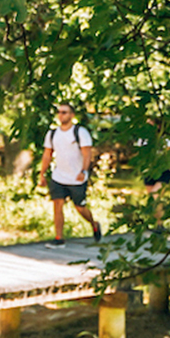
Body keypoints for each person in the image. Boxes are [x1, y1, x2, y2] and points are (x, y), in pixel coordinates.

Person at [39, 102, 102, 246]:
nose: (61, 115)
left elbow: (87, 154)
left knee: (80, 207)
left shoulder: (80, 132)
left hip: (77, 177)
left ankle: (94, 224)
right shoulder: (52, 133)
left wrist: (84, 171)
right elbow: (47, 155)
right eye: (59, 112)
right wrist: (42, 173)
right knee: (57, 205)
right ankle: (59, 238)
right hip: (58, 176)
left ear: (72, 115)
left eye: (64, 112)